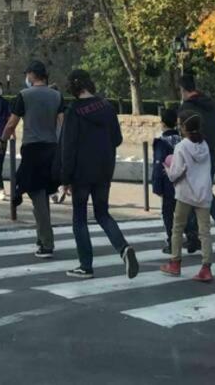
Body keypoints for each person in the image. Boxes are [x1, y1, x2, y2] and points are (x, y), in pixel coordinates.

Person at [60, 69, 138, 280]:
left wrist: (65, 179)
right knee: (102, 213)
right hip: (104, 169)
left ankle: (86, 265)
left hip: (81, 172)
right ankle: (123, 248)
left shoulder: (74, 111)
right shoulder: (107, 107)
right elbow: (117, 139)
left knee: (79, 217)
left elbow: (68, 147)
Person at [0, 61, 64, 258]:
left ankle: (46, 242)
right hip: (52, 148)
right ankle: (42, 236)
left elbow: (11, 123)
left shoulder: (24, 96)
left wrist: (2, 140)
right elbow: (62, 123)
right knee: (43, 196)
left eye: (27, 74)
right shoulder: (57, 96)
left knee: (37, 197)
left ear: (33, 75)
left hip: (33, 149)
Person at [179, 74, 215, 250]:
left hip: (194, 152)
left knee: (191, 193)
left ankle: (194, 235)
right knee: (206, 190)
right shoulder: (211, 105)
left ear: (183, 90)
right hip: (211, 151)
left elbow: (184, 133)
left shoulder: (186, 107)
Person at [160, 112, 215, 282]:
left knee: (177, 227)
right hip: (204, 192)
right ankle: (206, 267)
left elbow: (176, 172)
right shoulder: (204, 145)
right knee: (204, 232)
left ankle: (175, 263)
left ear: (184, 128)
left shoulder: (182, 147)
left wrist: (167, 170)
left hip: (185, 193)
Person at [152, 107, 182, 255]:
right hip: (182, 183)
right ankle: (191, 236)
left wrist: (156, 186)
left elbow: (158, 165)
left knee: (168, 213)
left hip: (167, 183)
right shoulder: (181, 140)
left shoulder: (161, 142)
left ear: (162, 123)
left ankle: (172, 241)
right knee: (183, 212)